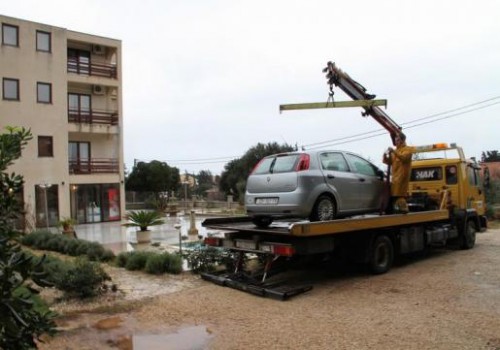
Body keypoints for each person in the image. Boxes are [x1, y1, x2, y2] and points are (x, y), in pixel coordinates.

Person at [382, 134, 413, 213]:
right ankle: (398, 209)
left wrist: (394, 152)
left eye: (398, 140)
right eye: (395, 140)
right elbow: (388, 162)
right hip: (395, 177)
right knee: (395, 194)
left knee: (399, 194)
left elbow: (404, 158)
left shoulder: (408, 149)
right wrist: (385, 155)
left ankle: (403, 209)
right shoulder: (395, 151)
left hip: (402, 176)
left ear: (403, 140)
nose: (396, 142)